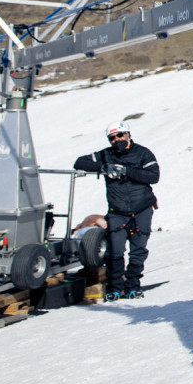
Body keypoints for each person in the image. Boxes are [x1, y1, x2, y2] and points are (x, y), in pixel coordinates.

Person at [73, 122, 160, 301]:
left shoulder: (143, 153)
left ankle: (133, 285)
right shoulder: (106, 155)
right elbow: (79, 162)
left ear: (128, 134)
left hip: (141, 208)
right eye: (112, 138)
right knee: (114, 250)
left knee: (138, 249)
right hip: (117, 210)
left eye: (120, 135)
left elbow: (153, 176)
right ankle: (114, 287)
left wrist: (127, 171)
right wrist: (103, 167)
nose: (116, 140)